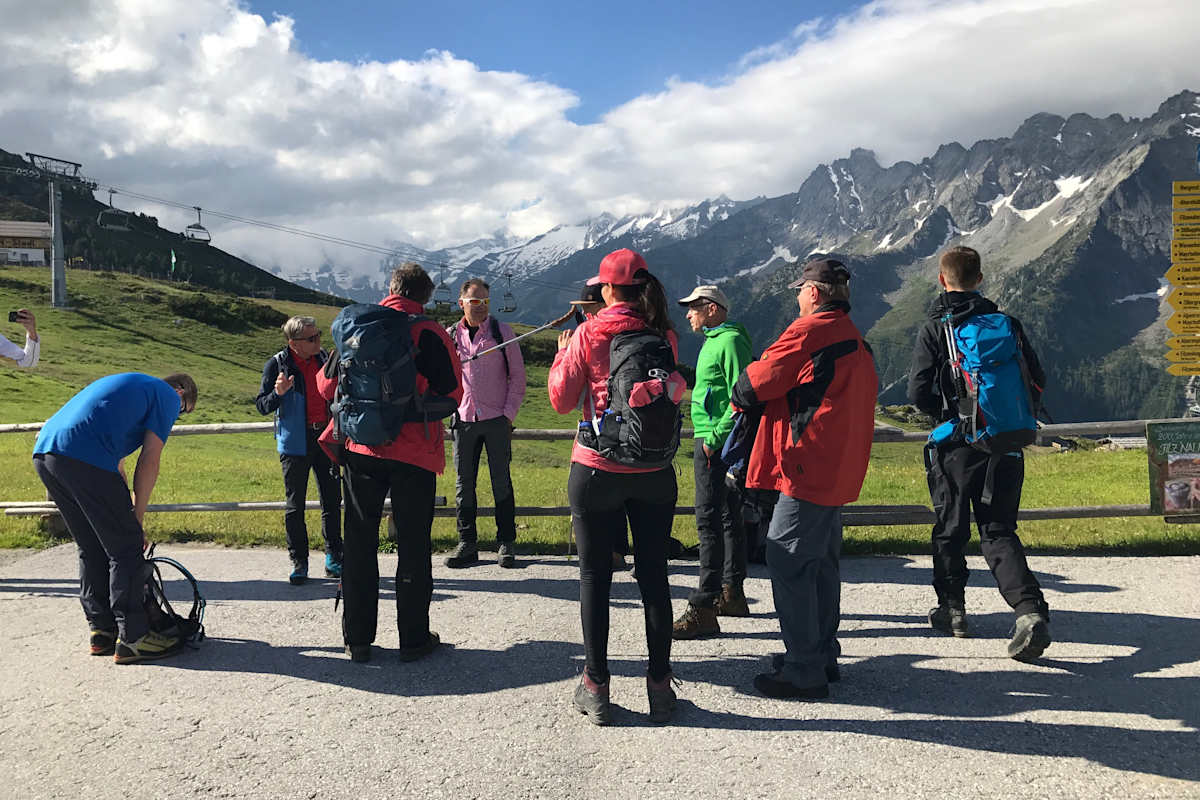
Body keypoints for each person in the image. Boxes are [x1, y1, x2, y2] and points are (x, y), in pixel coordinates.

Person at [549, 248, 682, 725]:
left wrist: (566, 351)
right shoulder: (663, 334)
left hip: (596, 467)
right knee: (654, 578)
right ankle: (661, 687)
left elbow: (563, 402)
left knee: (594, 579)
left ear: (607, 289)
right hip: (654, 472)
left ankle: (596, 684)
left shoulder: (588, 333)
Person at [732, 259, 877, 699]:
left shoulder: (809, 333)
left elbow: (755, 383)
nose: (796, 298)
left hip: (807, 464)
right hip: (838, 466)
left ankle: (803, 669)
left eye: (799, 290)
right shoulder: (855, 338)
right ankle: (820, 652)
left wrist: (743, 387)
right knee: (820, 562)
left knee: (787, 557)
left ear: (813, 292)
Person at [906, 245, 1051, 661]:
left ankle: (952, 611)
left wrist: (949, 415)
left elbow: (918, 392)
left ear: (941, 279)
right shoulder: (1007, 323)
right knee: (999, 529)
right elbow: (1036, 379)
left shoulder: (938, 328)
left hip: (958, 446)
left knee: (951, 528)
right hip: (1006, 442)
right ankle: (1028, 611)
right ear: (981, 279)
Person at [316, 263, 463, 664]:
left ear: (390, 288)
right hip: (414, 452)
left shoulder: (354, 326)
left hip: (361, 449)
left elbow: (325, 385)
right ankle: (413, 639)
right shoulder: (428, 332)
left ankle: (357, 639)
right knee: (413, 545)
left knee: (360, 543)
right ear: (425, 296)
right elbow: (454, 391)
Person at [32, 372, 198, 664]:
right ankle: (135, 637)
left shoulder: (133, 392)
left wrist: (127, 515)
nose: (176, 417)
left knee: (93, 544)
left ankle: (102, 630)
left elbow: (117, 468)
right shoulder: (168, 395)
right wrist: (136, 520)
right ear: (181, 391)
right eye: (183, 413)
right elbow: (150, 460)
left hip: (47, 452)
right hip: (83, 455)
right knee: (126, 547)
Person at [671, 285, 754, 639]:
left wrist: (715, 439)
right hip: (712, 440)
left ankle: (704, 605)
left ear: (712, 308)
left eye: (693, 307)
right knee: (727, 515)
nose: (688, 313)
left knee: (708, 520)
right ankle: (731, 592)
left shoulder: (730, 342)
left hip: (714, 442)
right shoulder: (713, 339)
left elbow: (742, 395)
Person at [444, 278, 527, 568]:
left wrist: (508, 415)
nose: (480, 307)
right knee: (463, 484)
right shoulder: (451, 335)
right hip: (463, 420)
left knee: (500, 481)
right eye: (475, 301)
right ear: (462, 302)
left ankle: (506, 543)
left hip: (496, 421)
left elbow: (518, 378)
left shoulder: (502, 333)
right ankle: (467, 544)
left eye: (485, 302)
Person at [255, 316, 343, 585]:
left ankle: (333, 557)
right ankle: (299, 561)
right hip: (295, 443)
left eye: (318, 335)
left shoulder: (325, 358)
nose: (318, 341)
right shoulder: (277, 364)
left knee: (331, 500)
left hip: (326, 437)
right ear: (294, 344)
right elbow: (262, 405)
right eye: (312, 338)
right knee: (295, 506)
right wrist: (278, 393)